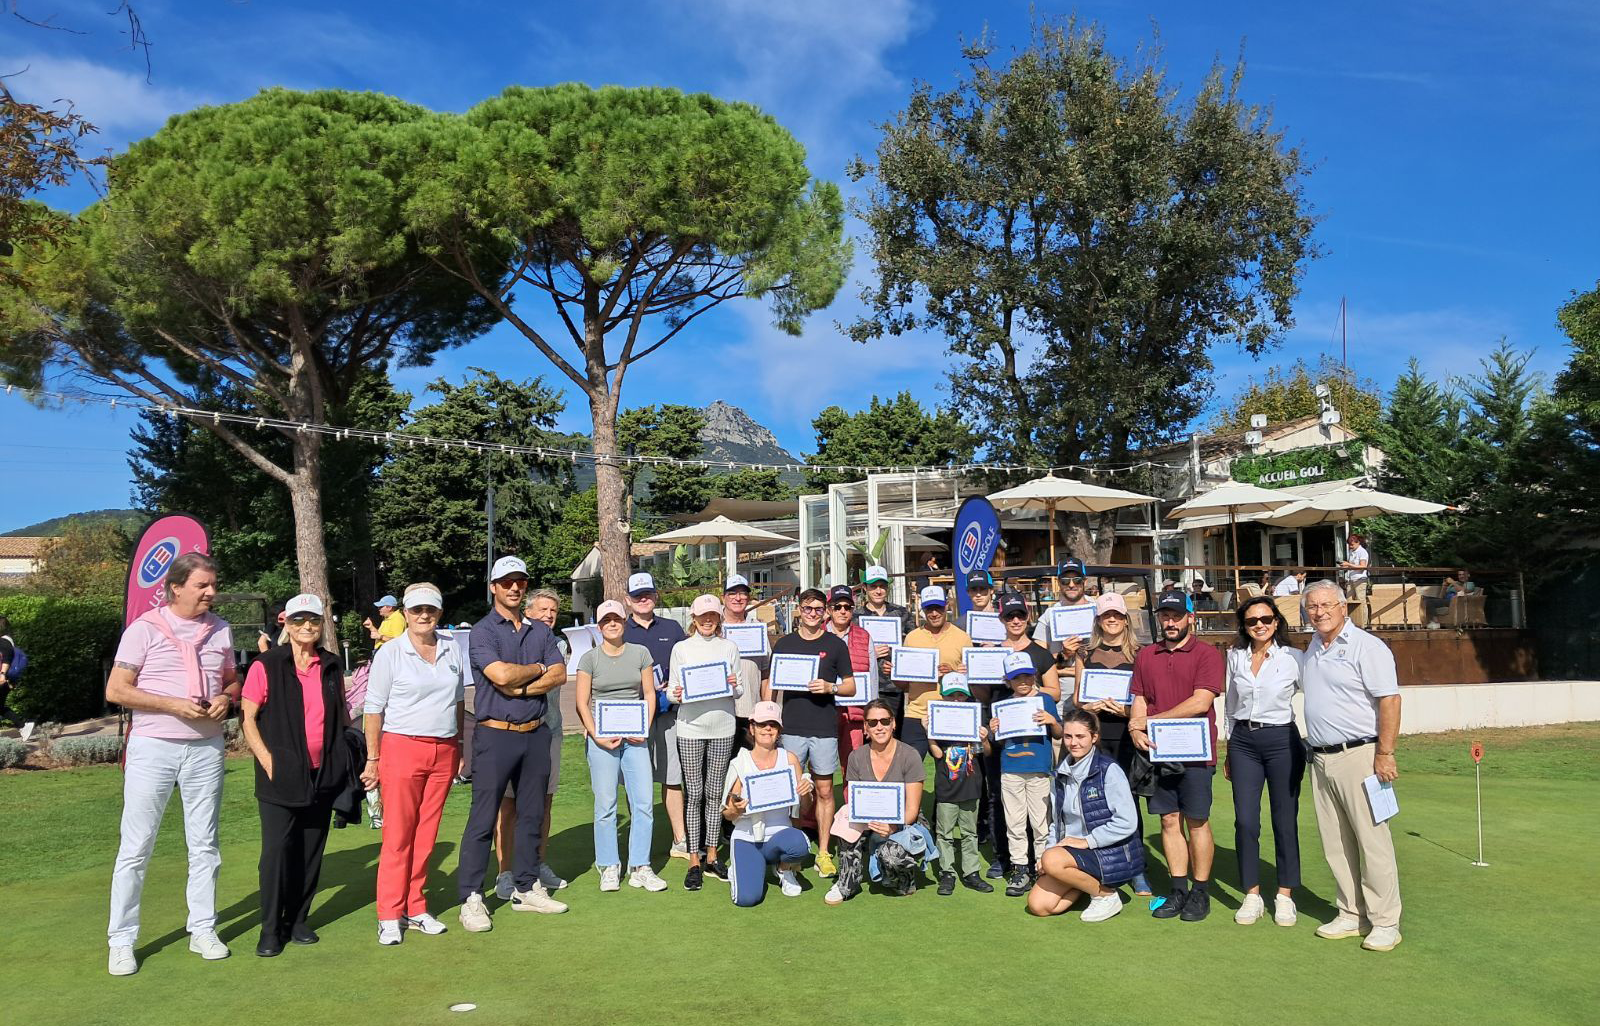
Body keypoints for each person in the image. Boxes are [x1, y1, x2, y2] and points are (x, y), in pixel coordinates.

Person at [104, 552, 238, 976]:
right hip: (154, 747)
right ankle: (122, 940)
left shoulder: (221, 629)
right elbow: (117, 689)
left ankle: (202, 928)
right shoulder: (143, 629)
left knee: (204, 845)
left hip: (206, 749)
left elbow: (232, 680)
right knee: (136, 847)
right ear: (176, 586)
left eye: (213, 585)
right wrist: (173, 705)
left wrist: (224, 698)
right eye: (202, 585)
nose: (211, 593)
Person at [457, 556, 568, 933]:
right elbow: (499, 674)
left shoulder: (540, 630)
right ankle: (471, 896)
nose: (515, 588)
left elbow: (559, 674)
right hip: (495, 733)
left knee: (532, 814)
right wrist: (537, 669)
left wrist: (523, 682)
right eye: (507, 582)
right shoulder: (483, 631)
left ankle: (525, 886)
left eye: (520, 581)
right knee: (483, 818)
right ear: (494, 587)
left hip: (536, 733)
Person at [240, 592, 352, 957]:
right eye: (299, 620)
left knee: (310, 853)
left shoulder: (332, 665)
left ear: (322, 624)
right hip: (279, 775)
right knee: (275, 853)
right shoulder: (267, 664)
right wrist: (269, 763)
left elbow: (342, 717)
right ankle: (270, 929)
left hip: (322, 776)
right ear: (286, 623)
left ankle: (298, 919)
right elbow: (248, 719)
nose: (307, 627)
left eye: (313, 621)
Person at [1301, 579, 1404, 951]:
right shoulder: (1312, 648)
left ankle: (1385, 921)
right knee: (1336, 842)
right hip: (1321, 757)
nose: (1320, 612)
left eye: (1327, 604)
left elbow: (1390, 700)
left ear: (1344, 606)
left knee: (1372, 841)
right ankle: (1350, 913)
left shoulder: (1367, 647)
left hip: (1361, 754)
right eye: (1312, 606)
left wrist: (1385, 753)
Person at [362, 583, 466, 946]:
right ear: (405, 613)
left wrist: (461, 743)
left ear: (439, 613)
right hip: (401, 747)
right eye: (418, 609)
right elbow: (373, 710)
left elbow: (456, 700)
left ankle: (416, 906)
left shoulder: (453, 647)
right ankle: (389, 913)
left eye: (431, 610)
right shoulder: (390, 652)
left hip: (444, 749)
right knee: (398, 835)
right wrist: (372, 759)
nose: (424, 615)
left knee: (426, 833)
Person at [1130, 589, 1224, 922]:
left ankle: (1200, 891)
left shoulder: (1208, 654)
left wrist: (1150, 721)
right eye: (1165, 616)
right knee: (1169, 821)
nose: (1170, 622)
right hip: (1159, 751)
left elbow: (1201, 702)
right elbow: (1139, 698)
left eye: (1176, 616)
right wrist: (1134, 728)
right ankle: (1178, 889)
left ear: (1190, 617)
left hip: (1196, 751)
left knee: (1197, 820)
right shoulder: (1146, 655)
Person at [1225, 595, 1306, 927]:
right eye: (1251, 621)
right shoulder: (1234, 658)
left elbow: (1315, 697)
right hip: (1243, 741)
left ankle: (1285, 896)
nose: (1259, 625)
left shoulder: (1294, 658)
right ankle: (1252, 894)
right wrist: (1229, 747)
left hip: (1282, 740)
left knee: (1284, 820)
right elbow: (1230, 705)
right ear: (1244, 626)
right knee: (1245, 821)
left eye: (1266, 619)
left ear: (1276, 622)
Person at [576, 600, 667, 893]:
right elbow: (582, 702)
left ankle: (640, 866)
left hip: (635, 737)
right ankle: (609, 865)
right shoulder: (589, 658)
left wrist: (644, 727)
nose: (612, 624)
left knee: (642, 803)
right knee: (605, 805)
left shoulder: (641, 653)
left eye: (616, 619)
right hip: (601, 740)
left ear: (623, 623)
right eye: (606, 620)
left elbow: (649, 693)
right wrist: (596, 735)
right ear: (599, 626)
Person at [767, 587, 855, 879]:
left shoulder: (836, 645)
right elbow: (772, 686)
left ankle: (824, 851)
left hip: (824, 728)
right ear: (800, 611)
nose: (814, 613)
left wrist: (830, 687)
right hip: (792, 727)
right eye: (808, 608)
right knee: (790, 790)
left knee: (825, 790)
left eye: (819, 609)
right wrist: (767, 714)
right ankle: (791, 851)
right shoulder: (785, 644)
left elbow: (851, 686)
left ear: (826, 612)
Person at [1025, 708, 1145, 923]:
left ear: (1094, 737)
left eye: (1080, 736)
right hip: (1072, 854)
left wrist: (1087, 841)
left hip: (1109, 851)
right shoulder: (1060, 773)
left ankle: (1106, 895)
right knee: (1039, 906)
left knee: (1052, 860)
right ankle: (1085, 884)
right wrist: (1048, 850)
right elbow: (1057, 823)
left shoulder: (1109, 770)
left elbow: (1128, 822)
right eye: (1068, 736)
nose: (1073, 743)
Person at [1070, 592, 1154, 897]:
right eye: (1107, 615)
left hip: (1127, 738)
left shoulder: (1141, 654)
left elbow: (1146, 700)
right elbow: (1078, 699)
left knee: (1128, 804)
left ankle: (1137, 870)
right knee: (1096, 804)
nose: (1112, 620)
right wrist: (1091, 707)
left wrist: (1126, 711)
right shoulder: (1085, 653)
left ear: (1125, 619)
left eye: (1117, 615)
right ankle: (1101, 867)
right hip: (1096, 737)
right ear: (1099, 619)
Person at [668, 594, 743, 890]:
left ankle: (712, 855)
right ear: (694, 619)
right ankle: (693, 859)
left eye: (713, 615)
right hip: (690, 728)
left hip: (723, 726)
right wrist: (681, 693)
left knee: (715, 792)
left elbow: (737, 691)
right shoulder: (681, 648)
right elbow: (673, 693)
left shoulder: (730, 647)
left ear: (719, 617)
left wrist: (734, 686)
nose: (708, 620)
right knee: (694, 793)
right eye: (703, 616)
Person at [983, 594, 1059, 881]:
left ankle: (1041, 866)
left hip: (1035, 749)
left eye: (1020, 615)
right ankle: (1011, 862)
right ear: (1001, 619)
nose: (1015, 620)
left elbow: (1055, 693)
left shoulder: (1039, 654)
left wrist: (1035, 696)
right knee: (1004, 805)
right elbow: (983, 693)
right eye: (1009, 616)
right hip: (1005, 741)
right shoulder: (990, 651)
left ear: (1028, 616)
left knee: (1040, 818)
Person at [825, 698, 930, 905]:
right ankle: (847, 882)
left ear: (894, 723)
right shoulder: (856, 757)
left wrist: (892, 827)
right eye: (872, 723)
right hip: (868, 818)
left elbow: (912, 809)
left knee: (891, 856)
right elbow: (856, 801)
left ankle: (903, 879)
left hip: (903, 821)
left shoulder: (910, 755)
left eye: (884, 721)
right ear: (865, 727)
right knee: (844, 819)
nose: (879, 727)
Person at [502, 589, 569, 896]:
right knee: (510, 804)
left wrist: (524, 686)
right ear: (527, 611)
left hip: (550, 731)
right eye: (542, 609)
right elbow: (507, 679)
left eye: (553, 611)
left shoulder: (559, 644)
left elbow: (556, 677)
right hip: (512, 732)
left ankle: (536, 863)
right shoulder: (510, 640)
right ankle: (505, 871)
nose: (548, 615)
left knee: (544, 802)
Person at [622, 572, 689, 861]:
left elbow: (687, 664)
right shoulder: (620, 630)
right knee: (636, 782)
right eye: (637, 595)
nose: (643, 599)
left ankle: (680, 840)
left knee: (672, 778)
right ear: (628, 600)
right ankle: (640, 843)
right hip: (633, 715)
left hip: (669, 714)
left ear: (655, 595)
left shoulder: (673, 628)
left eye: (647, 593)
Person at [721, 701, 815, 906]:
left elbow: (804, 809)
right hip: (747, 836)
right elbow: (727, 814)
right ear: (752, 728)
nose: (768, 729)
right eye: (762, 724)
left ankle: (783, 868)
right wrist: (736, 810)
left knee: (800, 844)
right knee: (747, 899)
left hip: (780, 834)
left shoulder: (789, 759)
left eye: (773, 725)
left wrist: (806, 793)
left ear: (779, 730)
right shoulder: (740, 763)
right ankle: (741, 867)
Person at [989, 651, 1061, 898]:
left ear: (1034, 675)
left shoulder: (1045, 700)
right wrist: (993, 730)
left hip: (1039, 769)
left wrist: (1052, 721)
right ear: (1008, 680)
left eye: (1027, 676)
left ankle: (1044, 867)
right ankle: (1020, 868)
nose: (1023, 682)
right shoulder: (1002, 704)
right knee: (1015, 822)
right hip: (1010, 770)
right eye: (1016, 677)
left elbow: (1060, 733)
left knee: (1041, 822)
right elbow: (996, 743)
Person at [926, 673, 993, 895]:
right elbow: (936, 753)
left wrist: (983, 738)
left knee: (969, 832)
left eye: (960, 695)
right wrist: (930, 733)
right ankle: (947, 873)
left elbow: (987, 753)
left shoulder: (975, 719)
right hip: (947, 786)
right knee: (944, 833)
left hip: (971, 785)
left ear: (966, 697)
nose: (956, 699)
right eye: (951, 695)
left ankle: (971, 872)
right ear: (943, 696)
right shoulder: (938, 719)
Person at [898, 584, 972, 757]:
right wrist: (896, 672)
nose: (934, 613)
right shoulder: (912, 637)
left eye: (938, 607)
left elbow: (971, 680)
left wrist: (953, 673)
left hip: (950, 713)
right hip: (916, 713)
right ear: (923, 609)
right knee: (909, 770)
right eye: (929, 608)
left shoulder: (962, 637)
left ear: (946, 605)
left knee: (951, 773)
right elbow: (903, 684)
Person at [859, 564, 915, 726]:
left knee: (892, 730)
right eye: (873, 586)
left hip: (893, 686)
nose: (878, 590)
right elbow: (849, 651)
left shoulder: (901, 613)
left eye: (882, 586)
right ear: (865, 588)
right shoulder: (856, 617)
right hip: (867, 685)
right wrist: (870, 654)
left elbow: (914, 644)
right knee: (868, 732)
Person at [823, 583, 872, 766]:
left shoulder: (864, 636)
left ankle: (850, 796)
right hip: (823, 712)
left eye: (847, 607)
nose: (842, 611)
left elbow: (872, 679)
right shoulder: (817, 634)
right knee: (820, 767)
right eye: (837, 606)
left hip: (855, 713)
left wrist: (870, 714)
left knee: (853, 765)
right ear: (829, 609)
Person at [722, 574, 769, 748]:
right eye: (732, 593)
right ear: (724, 597)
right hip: (720, 711)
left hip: (750, 712)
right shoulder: (712, 626)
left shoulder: (757, 628)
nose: (738, 598)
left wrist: (766, 708)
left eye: (742, 593)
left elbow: (766, 673)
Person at [1032, 559, 1095, 663]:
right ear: (1059, 583)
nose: (1071, 585)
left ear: (1085, 581)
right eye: (1065, 580)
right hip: (1061, 678)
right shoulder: (1049, 615)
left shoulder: (1099, 609)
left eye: (1077, 580)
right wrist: (1064, 654)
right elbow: (1038, 658)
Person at [1339, 533, 1371, 627]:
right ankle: (1350, 622)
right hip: (1351, 579)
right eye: (1349, 544)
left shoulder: (1362, 552)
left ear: (1358, 543)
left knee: (1361, 600)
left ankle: (1364, 623)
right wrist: (1346, 566)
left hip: (1360, 579)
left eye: (1352, 544)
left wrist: (1349, 565)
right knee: (1348, 600)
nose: (1350, 546)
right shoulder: (1351, 552)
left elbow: (1363, 566)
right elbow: (1353, 566)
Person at [0, 614, 17, 723]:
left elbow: (6, 659)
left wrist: (2, 674)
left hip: (3, 678)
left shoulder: (3, 641)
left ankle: (23, 725)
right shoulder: (6, 640)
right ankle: (23, 725)